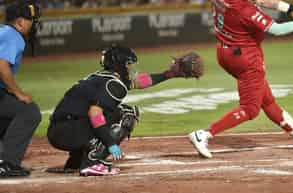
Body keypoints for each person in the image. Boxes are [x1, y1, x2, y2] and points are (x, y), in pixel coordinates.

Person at [188, 0, 293, 158]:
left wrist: (291, 9)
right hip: (246, 58)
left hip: (225, 52)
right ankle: (204, 134)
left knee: (267, 101)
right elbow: (277, 30)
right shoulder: (243, 10)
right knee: (250, 109)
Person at [47, 44, 203, 176]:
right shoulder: (114, 85)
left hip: (59, 130)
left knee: (108, 113)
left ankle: (75, 162)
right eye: (128, 64)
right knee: (126, 114)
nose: (131, 68)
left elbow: (139, 82)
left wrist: (169, 74)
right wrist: (110, 143)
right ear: (120, 65)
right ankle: (91, 162)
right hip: (67, 132)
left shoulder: (103, 77)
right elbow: (94, 114)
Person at [0, 1, 42, 177]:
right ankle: (7, 163)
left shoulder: (3, 31)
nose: (33, 24)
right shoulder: (12, 35)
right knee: (29, 112)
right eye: (31, 20)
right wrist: (18, 92)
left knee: (9, 112)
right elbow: (2, 66)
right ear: (20, 22)